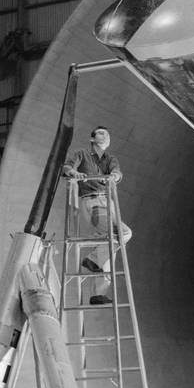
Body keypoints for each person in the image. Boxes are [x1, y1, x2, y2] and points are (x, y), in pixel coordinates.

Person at [62, 125, 132, 302]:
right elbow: (67, 167)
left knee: (108, 250)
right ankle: (91, 259)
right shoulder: (82, 154)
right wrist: (75, 173)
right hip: (93, 201)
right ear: (92, 139)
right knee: (124, 233)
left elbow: (117, 172)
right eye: (101, 133)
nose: (106, 135)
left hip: (109, 203)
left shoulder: (110, 158)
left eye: (107, 133)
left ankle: (97, 295)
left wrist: (114, 177)